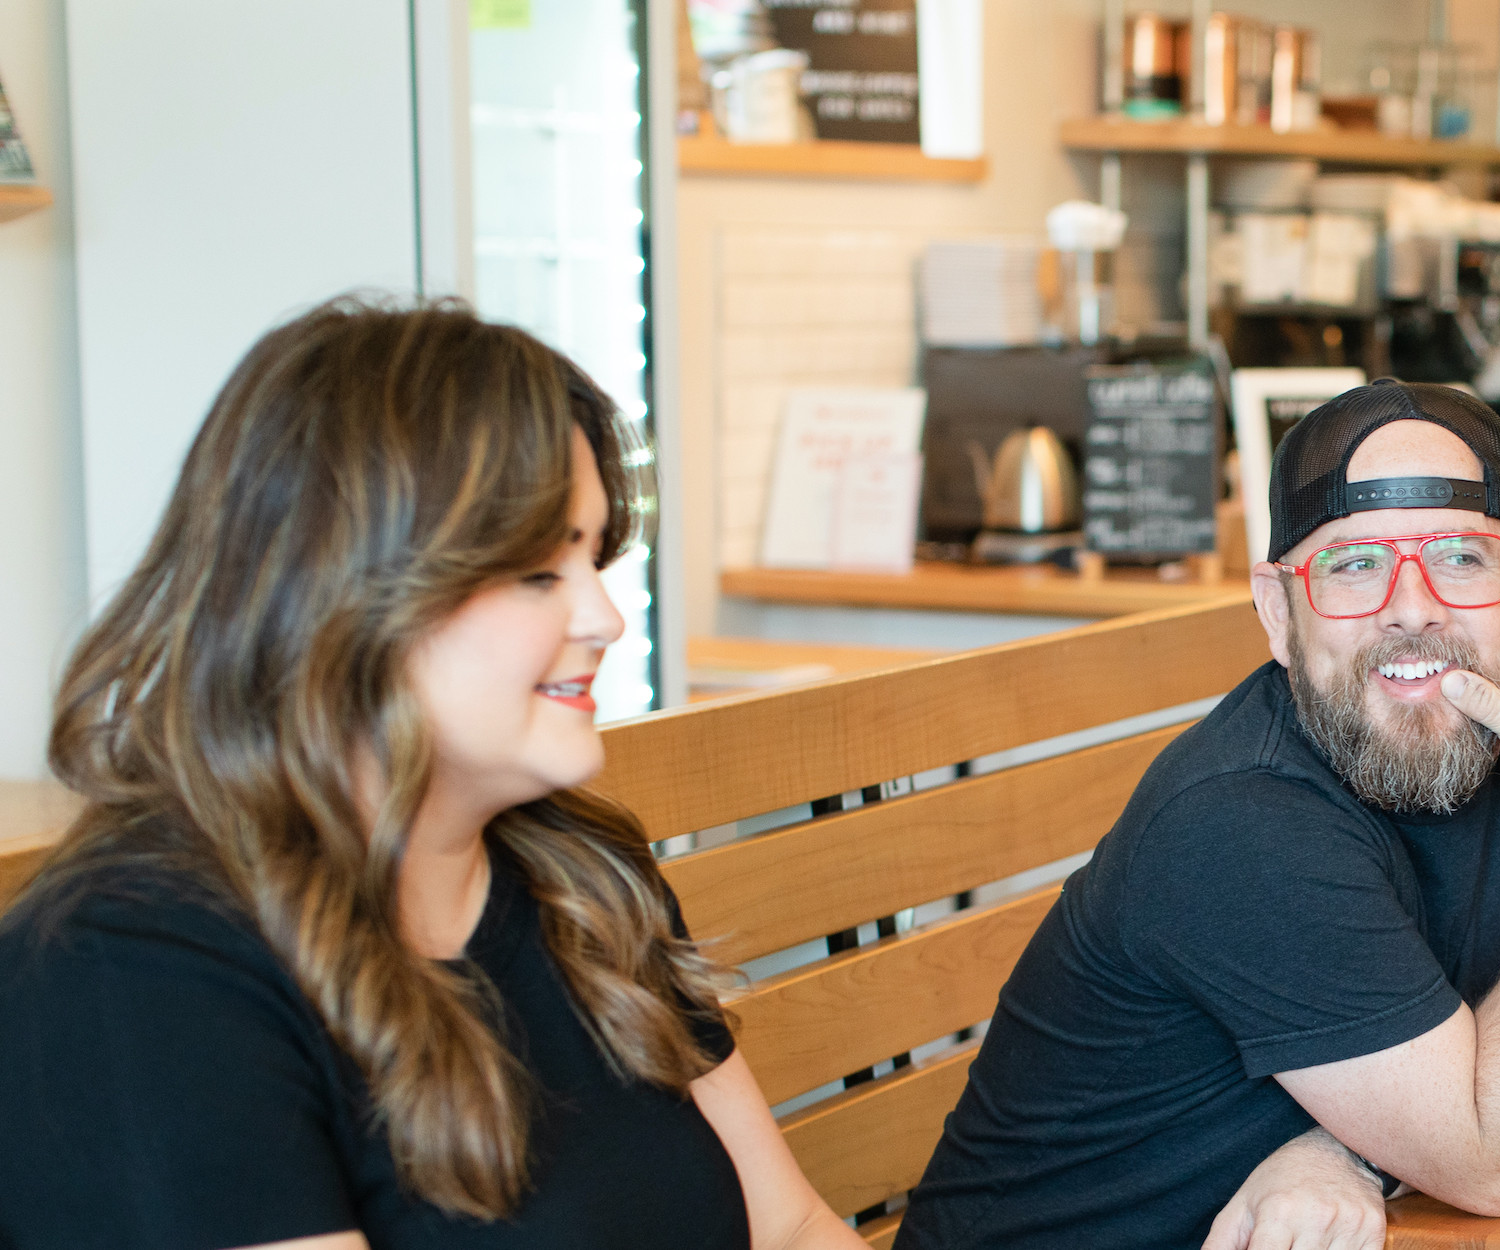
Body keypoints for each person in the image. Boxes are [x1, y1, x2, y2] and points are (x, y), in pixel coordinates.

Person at [0, 300, 866, 1250]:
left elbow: (786, 1227)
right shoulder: (133, 967)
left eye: (595, 558)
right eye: (541, 571)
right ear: (349, 591)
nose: (604, 620)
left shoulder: (580, 872)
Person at [896, 381, 1500, 1250]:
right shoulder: (1243, 822)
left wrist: (1349, 1153)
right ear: (1276, 613)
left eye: (1462, 557)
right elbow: (1498, 1166)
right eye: (1354, 565)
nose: (1413, 608)